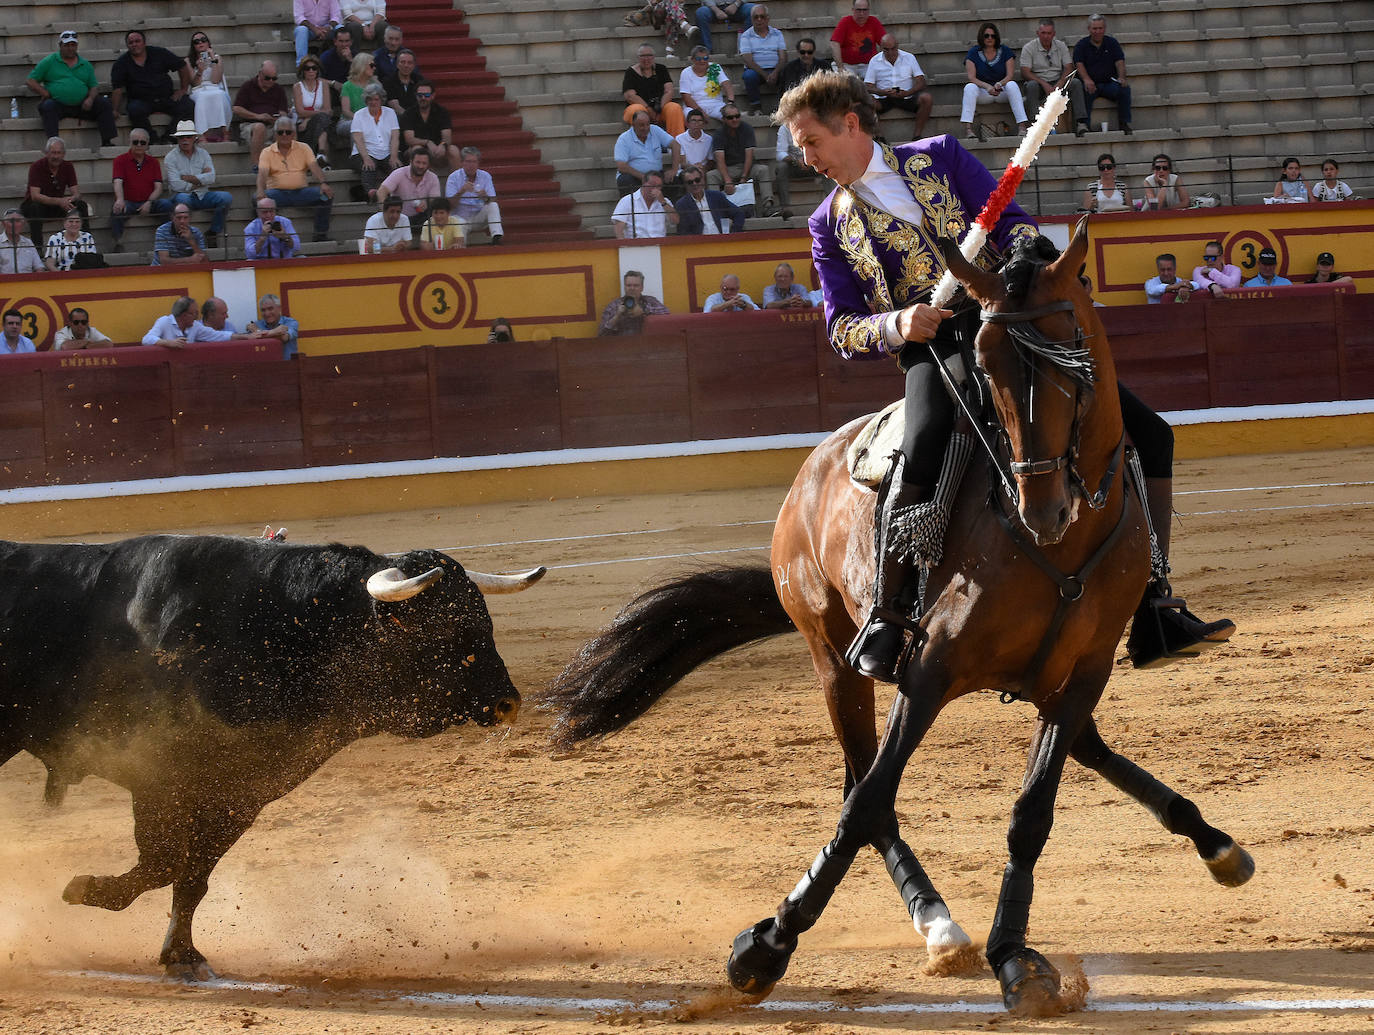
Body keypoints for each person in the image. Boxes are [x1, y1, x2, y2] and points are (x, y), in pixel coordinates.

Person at [776, 70, 1231, 678]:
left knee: (1149, 433)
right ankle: (890, 612)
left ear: (849, 125)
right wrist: (901, 321)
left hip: (1007, 322)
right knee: (925, 439)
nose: (806, 159)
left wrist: (1021, 264)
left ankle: (1155, 603)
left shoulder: (940, 156)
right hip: (935, 347)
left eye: (810, 142)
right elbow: (842, 328)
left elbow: (1013, 224)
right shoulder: (828, 223)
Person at [27, 30, 117, 147]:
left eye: (73, 45)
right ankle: (54, 144)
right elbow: (30, 80)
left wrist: (90, 98)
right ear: (60, 46)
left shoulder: (85, 64)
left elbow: (93, 86)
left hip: (82, 105)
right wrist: (44, 92)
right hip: (58, 104)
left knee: (104, 103)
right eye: (67, 45)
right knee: (47, 106)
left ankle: (107, 141)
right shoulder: (49, 61)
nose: (70, 48)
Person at [776, 39, 834, 219]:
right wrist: (796, 160)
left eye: (809, 52)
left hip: (815, 161)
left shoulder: (823, 67)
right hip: (796, 163)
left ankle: (833, 205)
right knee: (780, 167)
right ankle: (785, 207)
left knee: (831, 163)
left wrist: (811, 159)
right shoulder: (786, 128)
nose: (806, 56)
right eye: (803, 53)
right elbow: (779, 153)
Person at [256, 116, 335, 242]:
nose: (284, 135)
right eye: (280, 132)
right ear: (275, 134)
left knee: (326, 196)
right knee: (257, 200)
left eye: (288, 132)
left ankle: (320, 235)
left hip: (301, 192)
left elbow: (314, 167)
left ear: (293, 134)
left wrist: (323, 183)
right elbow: (262, 173)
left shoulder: (304, 147)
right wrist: (260, 190)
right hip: (276, 194)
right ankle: (266, 237)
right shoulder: (267, 151)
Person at [111, 29, 194, 140]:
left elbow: (181, 66)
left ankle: (170, 137)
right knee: (134, 110)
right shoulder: (121, 63)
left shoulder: (159, 53)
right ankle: (152, 139)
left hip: (166, 98)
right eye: (131, 42)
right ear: (127, 45)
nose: (134, 44)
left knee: (187, 105)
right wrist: (115, 110)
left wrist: (183, 89)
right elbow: (117, 89)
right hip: (142, 101)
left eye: (137, 41)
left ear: (144, 43)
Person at [164, 121, 232, 248]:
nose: (185, 140)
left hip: (203, 194)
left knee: (226, 197)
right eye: (181, 137)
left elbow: (211, 177)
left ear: (194, 138)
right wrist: (200, 180)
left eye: (188, 137)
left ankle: (213, 232)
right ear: (177, 139)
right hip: (183, 195)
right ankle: (183, 235)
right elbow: (175, 184)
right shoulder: (170, 157)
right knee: (182, 199)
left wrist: (188, 178)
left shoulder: (203, 154)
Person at [110, 129, 174, 251]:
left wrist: (149, 202)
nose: (139, 145)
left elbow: (158, 187)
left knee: (167, 205)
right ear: (130, 143)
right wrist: (120, 199)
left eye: (142, 142)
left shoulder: (154, 162)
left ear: (147, 144)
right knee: (117, 210)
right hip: (129, 202)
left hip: (149, 201)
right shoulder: (120, 160)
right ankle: (117, 242)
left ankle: (168, 240)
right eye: (135, 142)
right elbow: (117, 181)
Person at [961, 22, 1028, 139]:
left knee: (1012, 85)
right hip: (983, 92)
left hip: (1001, 90)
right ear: (981, 37)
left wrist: (999, 84)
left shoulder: (1005, 51)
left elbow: (1010, 75)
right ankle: (968, 129)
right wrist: (987, 87)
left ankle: (1022, 127)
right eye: (986, 36)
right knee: (969, 87)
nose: (990, 38)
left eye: (993, 36)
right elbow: (971, 77)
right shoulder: (973, 53)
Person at [22, 136, 90, 246]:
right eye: (53, 153)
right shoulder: (36, 166)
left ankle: (86, 244)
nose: (56, 156)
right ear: (47, 153)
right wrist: (59, 201)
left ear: (64, 154)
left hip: (56, 206)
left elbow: (76, 193)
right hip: (36, 205)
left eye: (59, 153)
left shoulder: (68, 166)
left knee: (81, 205)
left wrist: (71, 199)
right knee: (35, 207)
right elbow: (35, 196)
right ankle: (38, 249)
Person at [1071, 14, 1132, 136]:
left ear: (1105, 28)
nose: (1097, 31)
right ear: (1089, 29)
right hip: (1091, 84)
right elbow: (1079, 64)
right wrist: (1087, 80)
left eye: (1100, 28)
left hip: (1109, 82)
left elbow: (1120, 62)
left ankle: (1124, 123)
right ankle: (1083, 126)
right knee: (1083, 91)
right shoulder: (1081, 45)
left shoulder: (1112, 43)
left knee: (1124, 89)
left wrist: (1122, 77)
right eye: (1094, 28)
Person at [709, 103, 774, 212]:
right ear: (724, 119)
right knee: (711, 176)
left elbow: (749, 155)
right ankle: (717, 211)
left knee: (763, 170)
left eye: (737, 116)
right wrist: (727, 180)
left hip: (747, 167)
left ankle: (768, 206)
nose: (735, 119)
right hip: (728, 168)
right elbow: (720, 159)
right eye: (730, 117)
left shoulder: (747, 129)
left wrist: (744, 177)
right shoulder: (719, 134)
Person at [864, 34, 931, 138]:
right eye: (886, 49)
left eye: (893, 48)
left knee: (927, 98)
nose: (890, 52)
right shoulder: (874, 60)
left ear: (898, 46)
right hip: (884, 98)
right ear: (881, 48)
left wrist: (908, 92)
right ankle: (879, 136)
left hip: (907, 96)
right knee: (866, 101)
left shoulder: (909, 57)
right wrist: (883, 92)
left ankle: (917, 136)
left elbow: (921, 82)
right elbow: (868, 86)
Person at [350, 82, 401, 203]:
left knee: (397, 167)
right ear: (366, 100)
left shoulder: (390, 113)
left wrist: (394, 156)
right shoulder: (359, 115)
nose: (373, 102)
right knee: (368, 166)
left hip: (387, 151)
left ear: (381, 100)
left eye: (376, 99)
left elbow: (395, 136)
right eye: (370, 99)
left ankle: (396, 194)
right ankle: (372, 193)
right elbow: (358, 139)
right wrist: (366, 158)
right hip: (364, 152)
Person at [622, 45, 687, 138]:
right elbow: (630, 96)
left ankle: (677, 143)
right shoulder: (630, 72)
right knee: (636, 110)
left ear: (654, 57)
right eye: (643, 56)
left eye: (649, 55)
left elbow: (669, 90)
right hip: (642, 108)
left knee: (674, 108)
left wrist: (659, 109)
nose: (646, 59)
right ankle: (641, 144)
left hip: (660, 107)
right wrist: (649, 110)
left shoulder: (661, 69)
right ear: (638, 58)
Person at [444, 147, 504, 244]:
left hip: (478, 216)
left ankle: (497, 237)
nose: (471, 165)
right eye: (468, 161)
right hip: (460, 216)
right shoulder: (453, 178)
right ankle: (461, 249)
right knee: (459, 223)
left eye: (474, 162)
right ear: (462, 162)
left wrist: (485, 197)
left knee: (493, 205)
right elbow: (449, 205)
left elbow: (492, 199)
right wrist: (461, 191)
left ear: (478, 163)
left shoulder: (485, 176)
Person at [234, 61, 292, 157]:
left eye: (274, 78)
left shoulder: (279, 89)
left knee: (286, 128)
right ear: (260, 74)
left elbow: (283, 111)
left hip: (272, 125)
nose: (271, 81)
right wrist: (258, 117)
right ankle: (257, 165)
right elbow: (237, 108)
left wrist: (278, 118)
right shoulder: (248, 86)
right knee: (260, 127)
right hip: (250, 125)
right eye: (267, 78)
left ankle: (285, 164)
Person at [615, 110, 681, 195]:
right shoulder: (624, 139)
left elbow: (676, 145)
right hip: (636, 176)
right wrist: (644, 177)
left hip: (656, 174)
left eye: (647, 124)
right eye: (642, 125)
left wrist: (674, 169)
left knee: (674, 180)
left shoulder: (655, 130)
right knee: (625, 181)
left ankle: (669, 207)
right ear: (634, 125)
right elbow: (621, 166)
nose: (646, 128)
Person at [1018, 19, 1072, 121]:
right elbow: (1025, 72)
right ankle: (1035, 122)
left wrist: (1060, 83)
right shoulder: (1029, 48)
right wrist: (1044, 84)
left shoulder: (1061, 46)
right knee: (1031, 86)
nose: (1046, 36)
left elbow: (1069, 67)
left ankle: (1081, 122)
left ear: (1054, 34)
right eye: (1043, 33)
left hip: (1057, 81)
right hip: (1038, 82)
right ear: (1037, 33)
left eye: (1049, 33)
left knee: (1076, 83)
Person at [377, 146, 441, 230]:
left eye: (424, 163)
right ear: (411, 161)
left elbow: (435, 199)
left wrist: (427, 202)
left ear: (428, 165)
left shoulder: (433, 177)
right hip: (400, 218)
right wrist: (385, 211)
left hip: (423, 219)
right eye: (418, 162)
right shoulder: (399, 173)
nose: (421, 166)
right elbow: (382, 191)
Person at [738, 6, 786, 116]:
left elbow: (783, 58)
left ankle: (784, 107)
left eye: (762, 17)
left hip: (775, 69)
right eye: (756, 17)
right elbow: (748, 60)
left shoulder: (777, 33)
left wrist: (775, 72)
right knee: (748, 76)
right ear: (751, 19)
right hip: (756, 72)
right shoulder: (746, 36)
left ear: (767, 18)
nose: (759, 20)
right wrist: (765, 75)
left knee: (787, 72)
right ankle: (756, 107)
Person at [402, 83, 460, 171]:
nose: (423, 98)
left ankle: (458, 182)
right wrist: (427, 142)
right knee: (417, 149)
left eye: (427, 95)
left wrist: (443, 145)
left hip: (437, 150)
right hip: (416, 149)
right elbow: (409, 139)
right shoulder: (409, 113)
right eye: (420, 95)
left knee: (453, 150)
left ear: (433, 96)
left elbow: (447, 137)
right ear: (416, 96)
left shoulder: (442, 112)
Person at [185, 31, 231, 141]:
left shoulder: (216, 57)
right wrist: (200, 70)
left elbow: (215, 80)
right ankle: (201, 134)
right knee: (202, 98)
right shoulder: (188, 61)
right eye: (196, 42)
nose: (200, 43)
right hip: (198, 89)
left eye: (203, 40)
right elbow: (194, 83)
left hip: (214, 87)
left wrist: (213, 60)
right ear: (193, 46)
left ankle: (225, 133)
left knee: (220, 95)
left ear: (208, 43)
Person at [598, 269, 670, 336]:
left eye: (636, 285)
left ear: (642, 287)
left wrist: (643, 311)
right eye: (628, 285)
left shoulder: (651, 301)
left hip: (647, 345)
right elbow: (601, 334)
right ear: (624, 287)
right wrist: (617, 316)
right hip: (622, 346)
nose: (632, 288)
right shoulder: (614, 305)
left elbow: (667, 315)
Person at [675, 169, 745, 234]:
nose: (694, 184)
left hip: (722, 241)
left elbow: (738, 213)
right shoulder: (682, 204)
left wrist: (733, 232)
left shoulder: (716, 196)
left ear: (702, 180)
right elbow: (683, 231)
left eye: (697, 180)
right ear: (685, 185)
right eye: (690, 182)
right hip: (699, 244)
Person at [294, 56, 335, 166]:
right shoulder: (298, 87)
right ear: (303, 70)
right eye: (307, 68)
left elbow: (328, 110)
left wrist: (308, 118)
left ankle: (321, 153)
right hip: (303, 125)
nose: (311, 71)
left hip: (318, 122)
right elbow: (300, 112)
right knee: (324, 122)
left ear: (318, 70)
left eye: (314, 68)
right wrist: (308, 119)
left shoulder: (323, 85)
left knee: (323, 120)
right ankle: (323, 158)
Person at [612, 171, 677, 238]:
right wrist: (624, 246)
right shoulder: (627, 200)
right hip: (636, 245)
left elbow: (675, 221)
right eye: (652, 184)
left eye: (658, 186)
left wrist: (663, 202)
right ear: (644, 182)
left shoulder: (665, 201)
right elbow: (618, 227)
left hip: (659, 243)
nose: (655, 188)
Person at [622, 0, 695, 59]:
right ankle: (685, 26)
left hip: (673, 13)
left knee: (671, 16)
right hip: (658, 15)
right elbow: (653, 3)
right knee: (669, 2)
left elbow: (681, 2)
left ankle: (669, 51)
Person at [830, 0, 885, 77]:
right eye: (858, 10)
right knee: (848, 82)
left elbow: (885, 42)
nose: (861, 13)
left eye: (864, 10)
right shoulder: (845, 22)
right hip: (847, 65)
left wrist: (883, 63)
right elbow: (834, 43)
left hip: (869, 65)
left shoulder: (874, 22)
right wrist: (840, 67)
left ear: (869, 10)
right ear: (853, 10)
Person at [680, 47, 734, 123]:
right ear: (692, 59)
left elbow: (726, 83)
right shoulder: (686, 72)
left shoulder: (715, 67)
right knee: (691, 117)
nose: (702, 61)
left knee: (731, 116)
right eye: (698, 59)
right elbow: (686, 97)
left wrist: (730, 102)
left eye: (705, 58)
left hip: (716, 105)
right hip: (694, 107)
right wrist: (701, 112)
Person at [338, 52, 378, 142]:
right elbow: (346, 111)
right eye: (371, 65)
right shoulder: (347, 86)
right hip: (348, 121)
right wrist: (362, 120)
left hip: (372, 121)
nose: (374, 68)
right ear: (362, 66)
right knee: (357, 126)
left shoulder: (375, 85)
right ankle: (357, 155)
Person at [246, 293, 301, 359]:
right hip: (264, 366)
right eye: (263, 310)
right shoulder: (257, 325)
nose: (267, 313)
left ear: (279, 308)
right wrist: (276, 332)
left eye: (270, 309)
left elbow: (284, 338)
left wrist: (258, 332)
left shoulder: (290, 322)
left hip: (288, 366)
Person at [295, 0, 342, 64]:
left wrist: (328, 28)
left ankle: (343, 58)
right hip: (309, 30)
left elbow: (336, 16)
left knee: (340, 28)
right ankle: (301, 64)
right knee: (301, 30)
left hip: (327, 28)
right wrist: (314, 29)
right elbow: (299, 17)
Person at [383, 49, 427, 116]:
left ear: (414, 65)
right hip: (396, 119)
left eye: (409, 63)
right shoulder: (388, 81)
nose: (406, 65)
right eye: (403, 62)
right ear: (397, 64)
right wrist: (408, 118)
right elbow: (395, 106)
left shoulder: (420, 81)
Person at [675, 108, 715, 182]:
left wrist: (702, 168)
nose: (697, 123)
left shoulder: (709, 139)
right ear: (687, 123)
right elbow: (682, 163)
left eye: (700, 121)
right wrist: (695, 168)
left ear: (703, 123)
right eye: (693, 120)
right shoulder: (679, 139)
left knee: (702, 174)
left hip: (703, 169)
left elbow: (711, 161)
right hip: (685, 170)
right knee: (693, 175)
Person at [320, 25, 355, 106]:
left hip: (351, 89)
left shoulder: (356, 55)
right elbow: (316, 78)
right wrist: (333, 83)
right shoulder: (326, 57)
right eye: (341, 41)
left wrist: (350, 60)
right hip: (333, 89)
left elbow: (362, 76)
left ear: (351, 42)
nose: (344, 44)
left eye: (347, 41)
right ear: (335, 42)